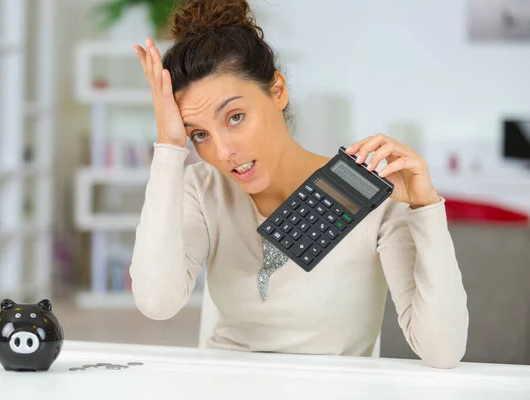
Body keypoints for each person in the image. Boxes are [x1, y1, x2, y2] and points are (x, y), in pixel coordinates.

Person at [129, 0, 468, 369]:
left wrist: (427, 208)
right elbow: (157, 302)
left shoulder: (370, 196)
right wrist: (169, 147)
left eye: (235, 117)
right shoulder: (202, 188)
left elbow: (443, 350)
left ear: (277, 91)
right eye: (199, 135)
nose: (223, 151)